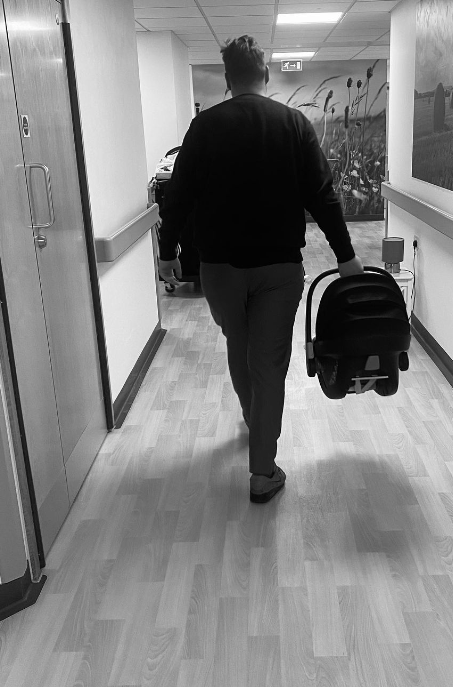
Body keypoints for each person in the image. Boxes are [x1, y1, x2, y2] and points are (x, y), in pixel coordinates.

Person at [158, 35, 365, 503]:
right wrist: (345, 256)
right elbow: (323, 196)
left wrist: (167, 251)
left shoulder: (204, 127)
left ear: (229, 79)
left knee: (239, 342)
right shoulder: (293, 123)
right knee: (268, 363)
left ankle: (256, 421)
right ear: (265, 74)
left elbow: (179, 195)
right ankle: (262, 470)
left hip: (220, 269)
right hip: (278, 269)